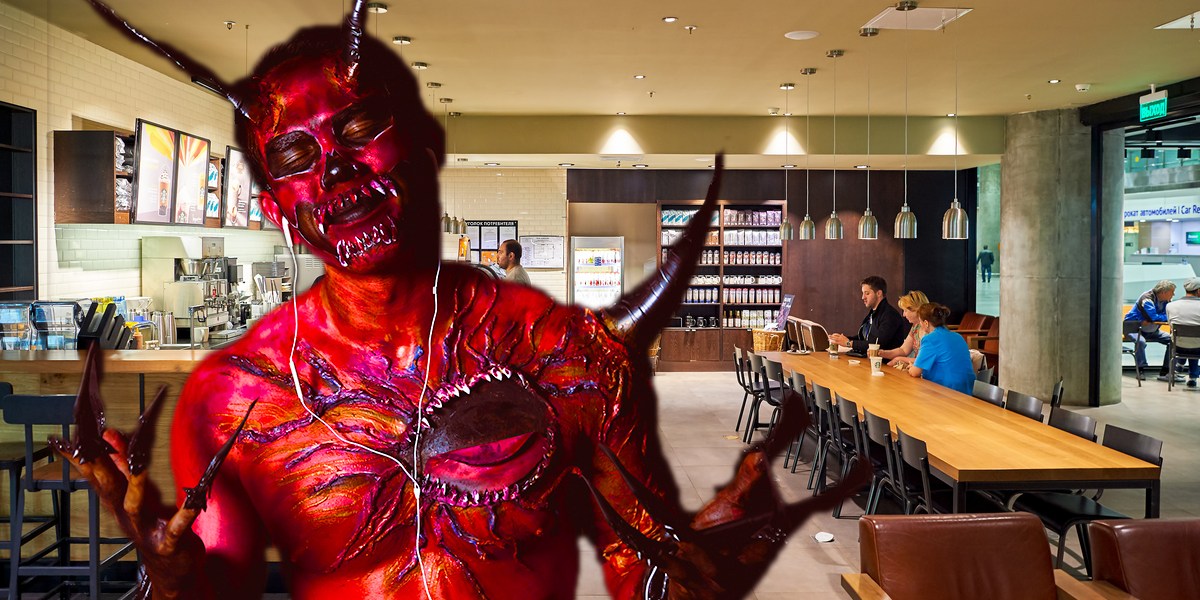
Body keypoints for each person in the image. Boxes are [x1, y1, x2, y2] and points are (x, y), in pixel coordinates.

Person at [58, 4, 867, 599]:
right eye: (297, 156)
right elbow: (216, 587)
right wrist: (171, 581)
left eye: (358, 129)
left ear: (422, 146)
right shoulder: (235, 398)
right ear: (277, 209)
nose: (335, 172)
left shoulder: (566, 354)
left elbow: (638, 566)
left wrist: (685, 575)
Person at [828, 275, 907, 356]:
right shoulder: (873, 313)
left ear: (879, 293)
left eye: (867, 293)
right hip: (869, 359)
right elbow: (864, 338)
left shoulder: (890, 315)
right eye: (863, 293)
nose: (863, 297)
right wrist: (841, 339)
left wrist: (848, 343)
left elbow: (877, 344)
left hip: (885, 362)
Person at [908, 303, 976, 395]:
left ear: (926, 323)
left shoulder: (930, 339)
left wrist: (911, 368)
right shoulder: (958, 336)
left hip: (947, 391)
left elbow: (915, 372)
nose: (920, 324)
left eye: (920, 321)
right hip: (968, 390)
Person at [1124, 279, 1179, 382]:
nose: (1173, 294)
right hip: (1134, 329)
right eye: (1172, 292)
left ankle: (1166, 371)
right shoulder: (1146, 299)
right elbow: (1153, 317)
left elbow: (1170, 316)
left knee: (1172, 340)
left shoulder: (1167, 301)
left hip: (1152, 331)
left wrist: (1161, 317)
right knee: (1140, 341)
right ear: (1164, 292)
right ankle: (1140, 369)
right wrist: (1163, 317)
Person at [878, 290, 929, 366]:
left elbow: (925, 360)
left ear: (916, 310)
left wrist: (899, 359)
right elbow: (903, 350)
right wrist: (882, 353)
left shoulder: (931, 330)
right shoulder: (916, 327)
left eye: (905, 310)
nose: (903, 315)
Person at [1166, 277, 1200, 388]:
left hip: (1178, 347)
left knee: (1186, 339)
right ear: (1198, 291)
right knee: (1195, 341)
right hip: (1198, 347)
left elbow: (1171, 326)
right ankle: (1193, 376)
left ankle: (1180, 365)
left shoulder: (1170, 306)